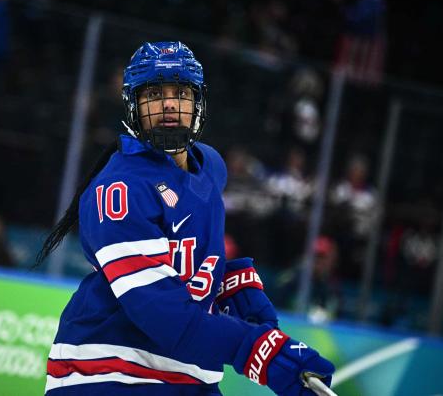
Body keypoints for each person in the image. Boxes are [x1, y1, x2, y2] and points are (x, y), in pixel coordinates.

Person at [36, 41, 334, 395]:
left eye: (181, 92)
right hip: (109, 370)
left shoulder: (210, 167)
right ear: (133, 105)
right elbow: (164, 316)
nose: (169, 104)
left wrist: (228, 281)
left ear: (199, 103)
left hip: (189, 374)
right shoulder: (118, 191)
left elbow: (192, 242)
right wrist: (255, 349)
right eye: (155, 93)